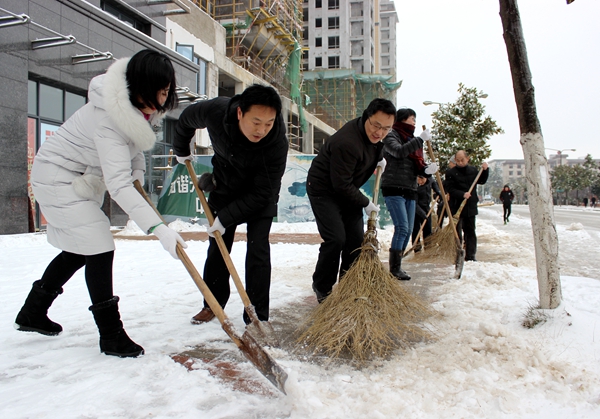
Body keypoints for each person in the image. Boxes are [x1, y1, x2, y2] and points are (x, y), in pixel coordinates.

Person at [15, 49, 186, 358]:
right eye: (160, 91)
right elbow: (119, 184)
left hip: (77, 176)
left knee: (82, 249)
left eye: (167, 91)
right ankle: (111, 335)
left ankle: (32, 313)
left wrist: (137, 169)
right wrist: (160, 230)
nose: (164, 98)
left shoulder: (134, 109)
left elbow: (132, 148)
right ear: (141, 86)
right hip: (57, 179)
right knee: (99, 245)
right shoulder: (109, 117)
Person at [173, 84, 288, 324]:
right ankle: (212, 303)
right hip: (225, 187)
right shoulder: (217, 111)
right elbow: (185, 119)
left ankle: (257, 315)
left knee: (258, 250)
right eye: (256, 122)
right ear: (239, 113)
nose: (262, 130)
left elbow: (262, 193)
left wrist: (226, 218)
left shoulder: (276, 143)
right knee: (218, 247)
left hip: (260, 196)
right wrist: (181, 148)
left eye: (269, 123)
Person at [306, 98, 395, 302]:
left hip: (347, 188)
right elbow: (341, 185)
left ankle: (348, 286)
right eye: (376, 125)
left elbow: (375, 146)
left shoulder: (376, 137)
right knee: (336, 238)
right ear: (367, 116)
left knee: (355, 241)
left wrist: (379, 157)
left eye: (386, 129)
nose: (380, 133)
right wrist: (365, 203)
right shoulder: (347, 142)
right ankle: (322, 287)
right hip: (324, 190)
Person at [381, 108, 437, 280]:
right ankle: (394, 268)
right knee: (402, 227)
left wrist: (427, 171)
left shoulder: (413, 141)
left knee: (408, 230)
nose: (414, 122)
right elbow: (399, 152)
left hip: (410, 189)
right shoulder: (391, 136)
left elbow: (416, 166)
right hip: (393, 188)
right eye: (412, 118)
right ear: (403, 119)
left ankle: (398, 265)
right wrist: (420, 140)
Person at [444, 150, 489, 262]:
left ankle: (471, 255)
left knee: (470, 232)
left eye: (462, 160)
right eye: (457, 160)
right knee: (457, 232)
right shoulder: (450, 173)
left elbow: (482, 180)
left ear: (467, 159)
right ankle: (457, 254)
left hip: (470, 206)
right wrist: (462, 194)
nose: (460, 162)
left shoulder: (473, 170)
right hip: (457, 206)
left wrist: (485, 170)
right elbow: (450, 189)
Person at [412, 175, 442, 252]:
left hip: (426, 208)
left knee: (428, 230)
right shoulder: (413, 186)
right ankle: (417, 248)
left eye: (422, 180)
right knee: (416, 230)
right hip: (415, 210)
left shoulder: (430, 180)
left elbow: (434, 184)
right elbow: (414, 203)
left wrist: (438, 192)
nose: (420, 182)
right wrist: (422, 214)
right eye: (419, 179)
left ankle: (428, 248)